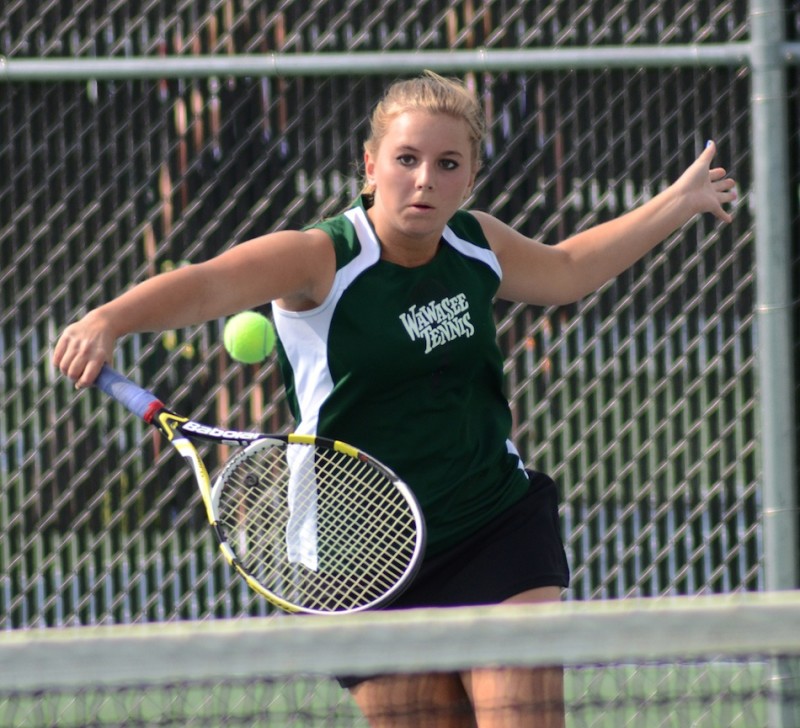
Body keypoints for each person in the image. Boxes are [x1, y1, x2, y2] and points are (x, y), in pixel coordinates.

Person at [53, 71, 737, 727]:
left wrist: (675, 202)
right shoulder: (321, 256)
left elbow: (565, 271)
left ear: (470, 177)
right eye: (406, 158)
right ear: (370, 164)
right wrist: (108, 319)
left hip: (492, 521)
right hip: (360, 561)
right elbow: (207, 285)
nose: (424, 179)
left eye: (447, 164)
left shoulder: (476, 243)